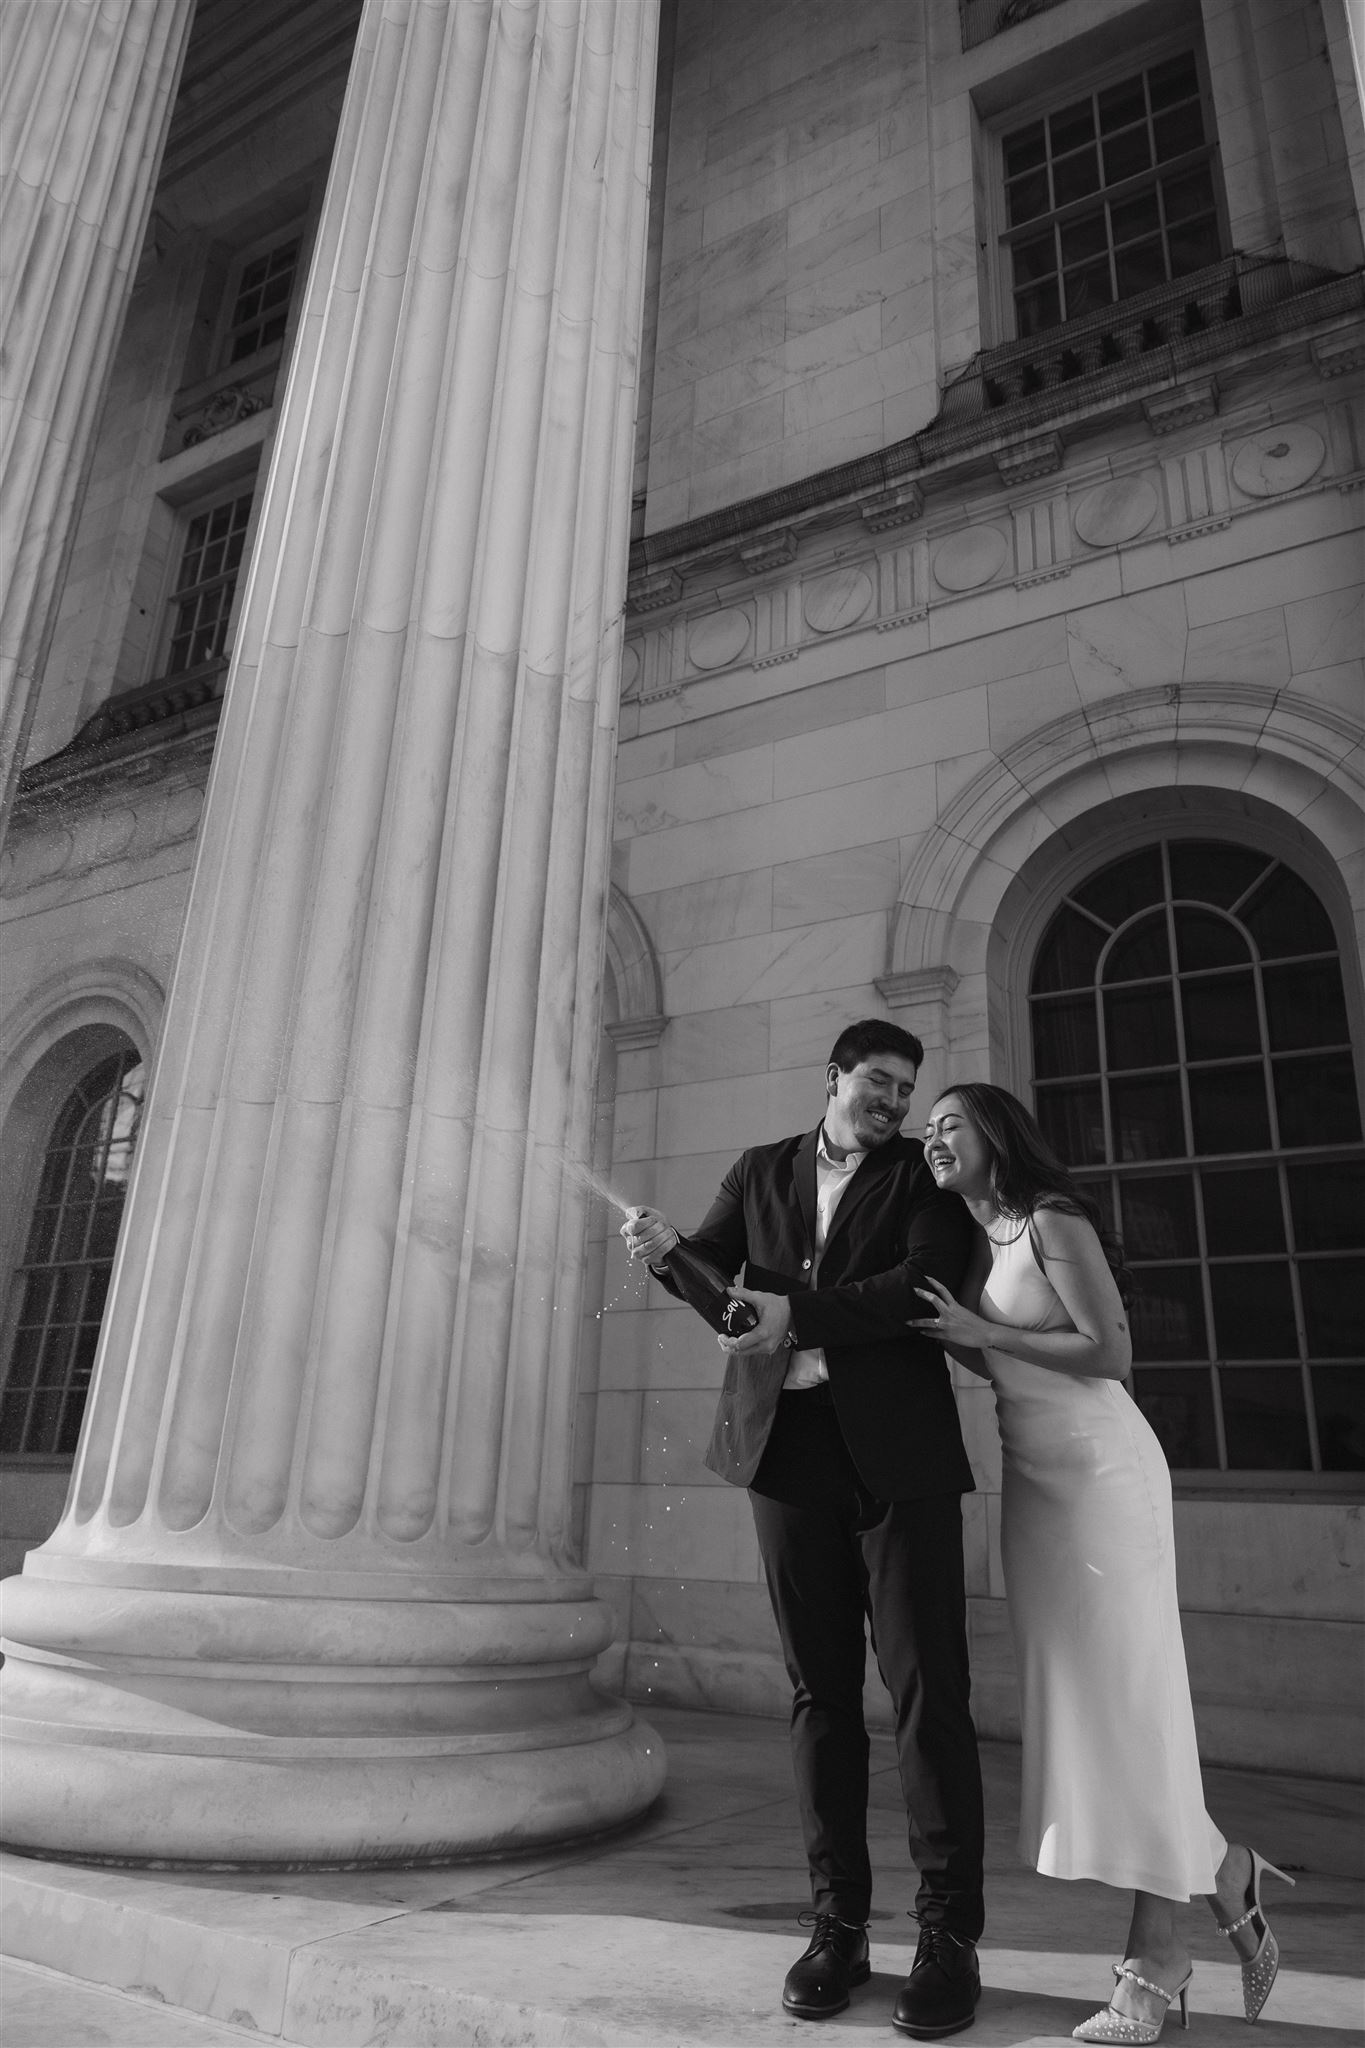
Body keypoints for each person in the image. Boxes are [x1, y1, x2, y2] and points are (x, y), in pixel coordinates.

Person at [910, 1082, 1293, 2044]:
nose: (930, 1139)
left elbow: (1109, 1351)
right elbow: (1005, 1356)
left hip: (1103, 1480)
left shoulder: (1049, 1219)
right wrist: (956, 1336)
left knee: (1128, 1706)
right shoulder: (980, 1240)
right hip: (1035, 1487)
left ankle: (1158, 1955)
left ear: (995, 1134)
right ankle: (1221, 1870)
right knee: (1088, 1706)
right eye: (926, 1130)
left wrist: (980, 1329)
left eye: (948, 1124)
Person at [622, 1020, 985, 2036]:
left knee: (929, 1694)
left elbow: (917, 1288)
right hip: (784, 1454)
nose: (895, 1101)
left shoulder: (922, 1175)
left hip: (901, 1460)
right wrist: (668, 1259)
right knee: (819, 1694)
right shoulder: (760, 1168)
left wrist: (795, 1312)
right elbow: (723, 1296)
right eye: (879, 1080)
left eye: (907, 1089)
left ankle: (948, 1937)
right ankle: (839, 1926)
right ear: (835, 1077)